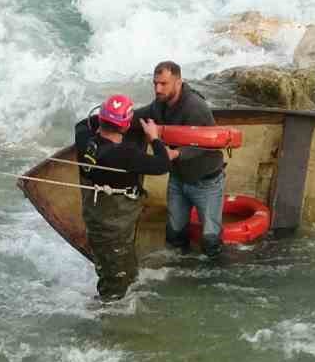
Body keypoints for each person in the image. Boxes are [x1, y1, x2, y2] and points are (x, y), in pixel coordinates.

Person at [74, 93, 179, 300]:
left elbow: (83, 124)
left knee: (124, 273)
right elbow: (163, 164)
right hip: (114, 228)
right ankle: (104, 314)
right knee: (114, 287)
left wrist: (112, 116)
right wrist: (154, 138)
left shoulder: (84, 138)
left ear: (101, 119)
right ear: (125, 126)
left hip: (97, 220)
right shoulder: (124, 155)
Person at [132, 61, 222, 258]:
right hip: (178, 178)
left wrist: (175, 154)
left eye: (163, 84)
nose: (158, 89)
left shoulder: (195, 107)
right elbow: (140, 116)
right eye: (155, 83)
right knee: (174, 233)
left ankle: (216, 270)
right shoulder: (160, 103)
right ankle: (178, 268)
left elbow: (207, 144)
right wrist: (113, 120)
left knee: (210, 239)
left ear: (178, 82)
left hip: (205, 181)